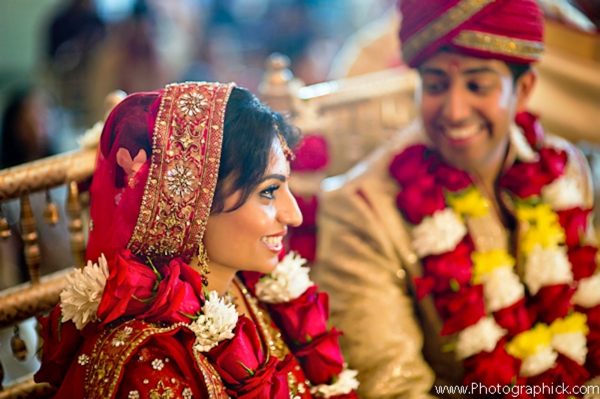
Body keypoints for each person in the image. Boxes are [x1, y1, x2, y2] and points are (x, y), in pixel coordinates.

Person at [312, 0, 600, 397]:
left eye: (478, 86)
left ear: (524, 89)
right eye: (435, 85)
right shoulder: (362, 209)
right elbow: (393, 388)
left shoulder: (564, 169)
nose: (454, 110)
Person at [34, 82, 360, 398]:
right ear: (194, 206)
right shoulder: (150, 362)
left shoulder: (254, 290)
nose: (294, 216)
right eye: (269, 192)